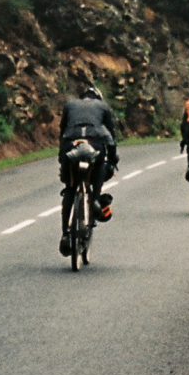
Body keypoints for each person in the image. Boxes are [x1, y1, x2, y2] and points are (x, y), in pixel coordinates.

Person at [58, 83, 119, 254]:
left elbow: (62, 132)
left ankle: (65, 234)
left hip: (71, 145)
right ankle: (96, 200)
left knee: (70, 189)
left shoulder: (70, 105)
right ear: (98, 98)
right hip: (95, 144)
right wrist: (113, 161)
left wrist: (62, 162)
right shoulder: (103, 107)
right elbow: (110, 137)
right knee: (99, 167)